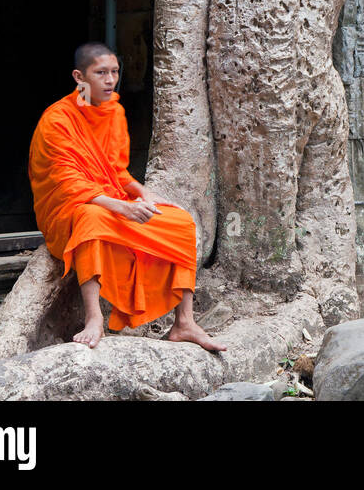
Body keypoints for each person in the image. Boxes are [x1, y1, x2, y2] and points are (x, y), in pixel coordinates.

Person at [27, 42, 225, 351]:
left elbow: (117, 172)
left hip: (111, 202)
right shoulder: (57, 121)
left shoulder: (115, 112)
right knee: (90, 219)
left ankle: (184, 321)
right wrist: (121, 207)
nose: (110, 80)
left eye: (115, 72)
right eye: (101, 73)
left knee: (181, 223)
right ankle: (94, 320)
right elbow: (67, 183)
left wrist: (144, 194)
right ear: (79, 77)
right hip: (72, 209)